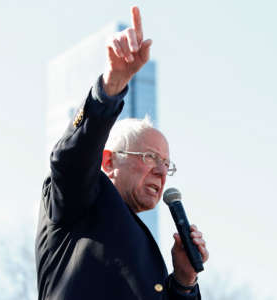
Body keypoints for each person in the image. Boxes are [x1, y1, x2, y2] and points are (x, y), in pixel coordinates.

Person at [35, 6, 209, 300]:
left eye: (167, 164)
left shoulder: (146, 249)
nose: (162, 171)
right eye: (150, 157)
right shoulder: (79, 199)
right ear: (109, 160)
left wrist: (183, 281)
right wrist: (112, 84)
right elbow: (71, 159)